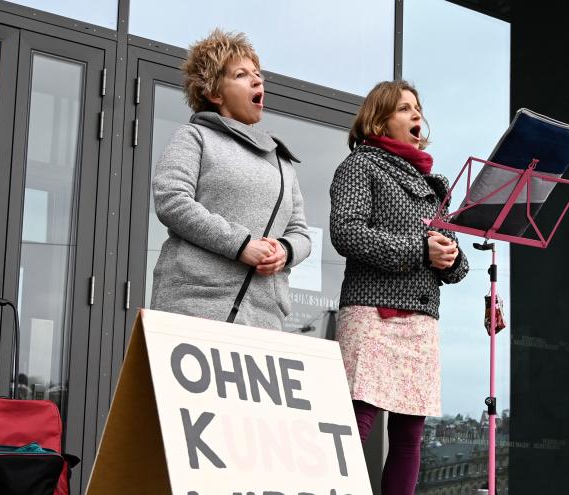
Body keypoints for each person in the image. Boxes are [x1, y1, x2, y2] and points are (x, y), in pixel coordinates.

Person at [329, 80, 469, 494]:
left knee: (411, 436)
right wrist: (420, 249)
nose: (417, 117)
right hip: (372, 312)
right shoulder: (360, 165)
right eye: (405, 109)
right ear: (379, 120)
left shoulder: (436, 185)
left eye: (418, 109)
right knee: (356, 424)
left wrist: (450, 257)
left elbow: (455, 263)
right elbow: (347, 232)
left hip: (421, 322)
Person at [150, 29, 310, 330]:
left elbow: (300, 231)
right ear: (214, 92)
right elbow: (171, 199)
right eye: (241, 74)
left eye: (258, 73)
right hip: (194, 305)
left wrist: (285, 251)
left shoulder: (282, 161)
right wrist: (241, 245)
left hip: (264, 318)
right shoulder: (194, 137)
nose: (257, 80)